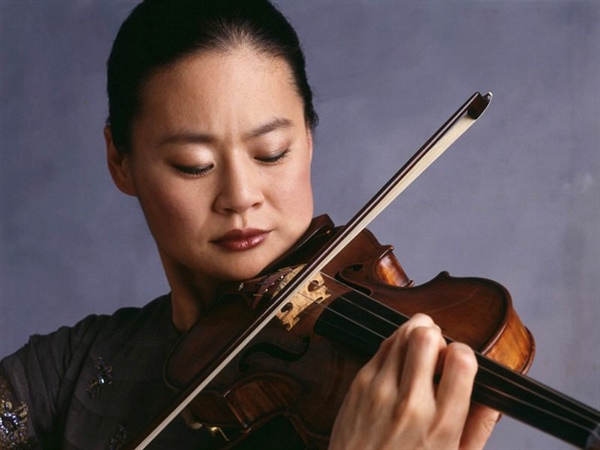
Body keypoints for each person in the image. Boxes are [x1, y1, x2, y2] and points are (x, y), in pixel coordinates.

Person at [0, 0, 499, 448]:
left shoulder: (392, 393)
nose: (240, 197)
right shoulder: (62, 373)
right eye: (193, 164)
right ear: (120, 160)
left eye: (271, 153)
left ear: (308, 139)